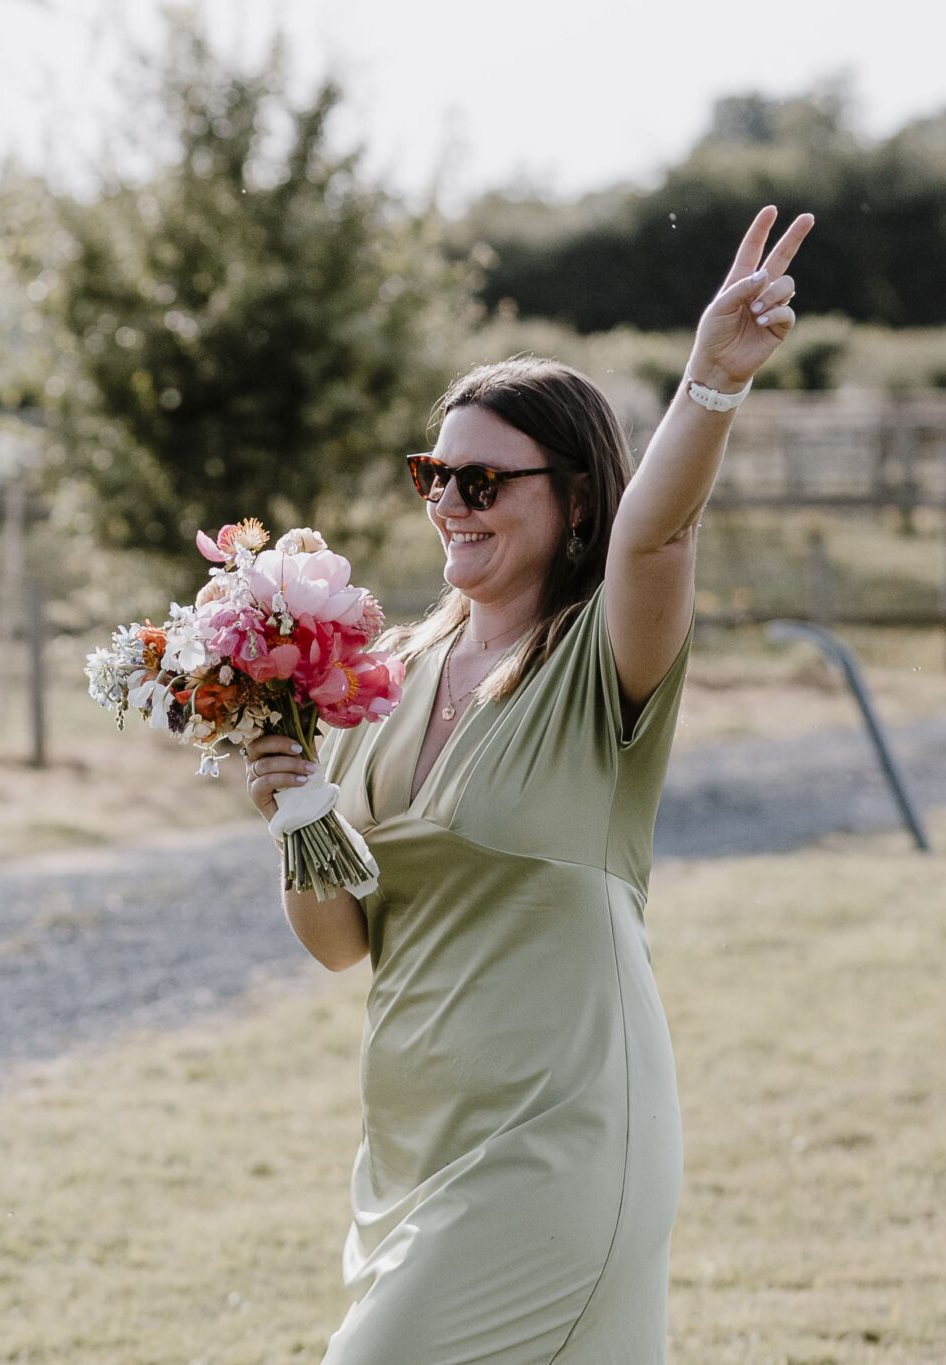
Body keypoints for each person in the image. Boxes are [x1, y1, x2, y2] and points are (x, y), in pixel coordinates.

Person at [244, 205, 814, 1361]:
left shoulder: (601, 660)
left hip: (561, 1141)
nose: (448, 501)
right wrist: (295, 807)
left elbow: (656, 541)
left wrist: (707, 382)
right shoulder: (374, 677)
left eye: (481, 479)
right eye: (432, 474)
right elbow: (341, 943)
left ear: (570, 501)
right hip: (411, 1152)